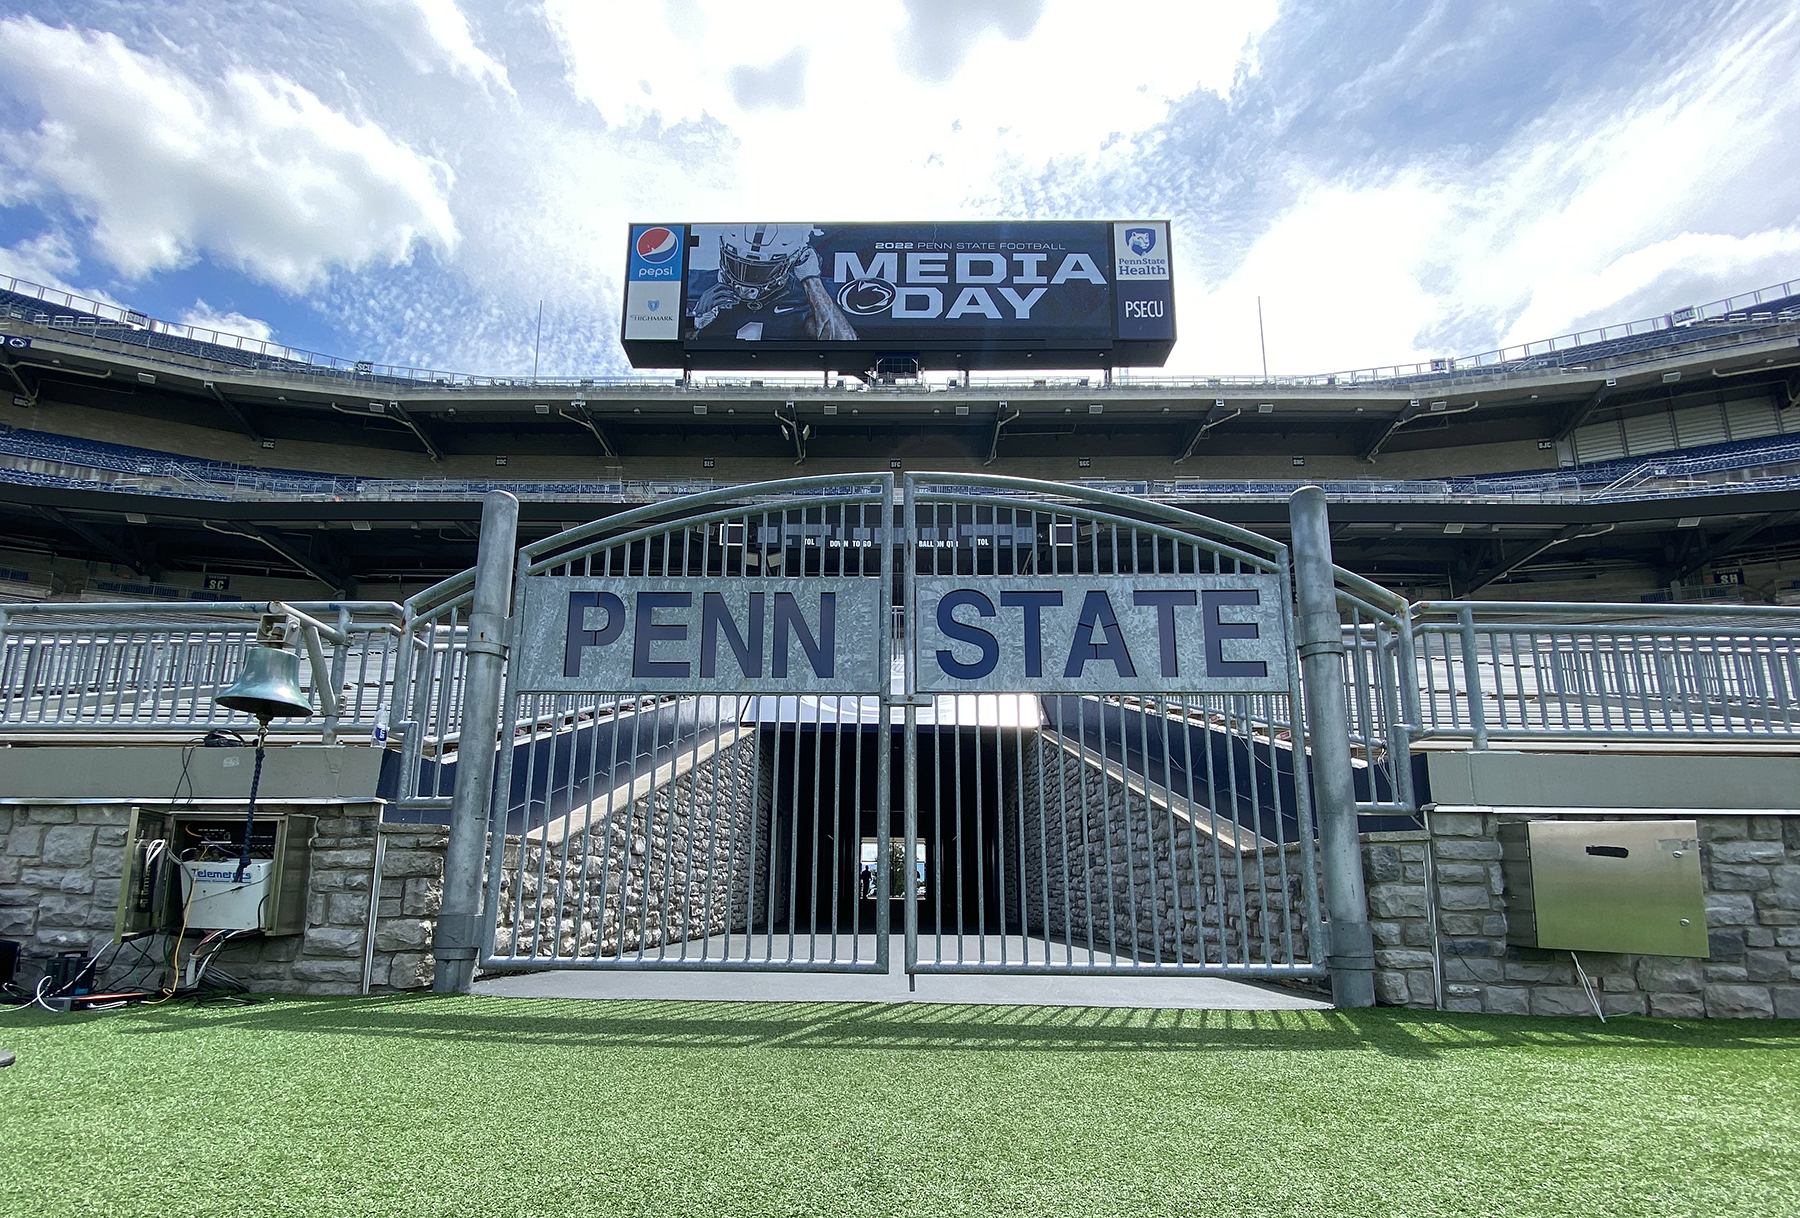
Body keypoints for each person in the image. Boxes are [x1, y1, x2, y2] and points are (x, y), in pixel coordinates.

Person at [687, 224, 857, 342]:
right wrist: (694, 322)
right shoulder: (692, 284)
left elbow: (844, 343)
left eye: (759, 270)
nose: (745, 278)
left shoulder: (812, 295)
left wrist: (811, 279)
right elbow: (666, 334)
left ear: (791, 261)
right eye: (737, 264)